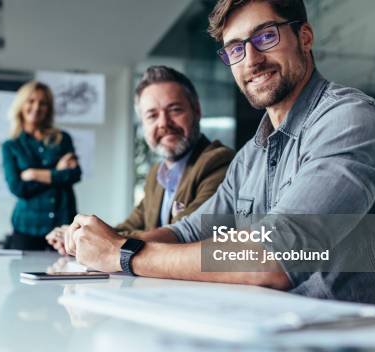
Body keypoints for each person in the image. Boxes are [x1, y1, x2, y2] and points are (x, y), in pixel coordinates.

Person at [61, 0, 375, 318]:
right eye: (235, 49)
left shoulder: (350, 120)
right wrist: (106, 242)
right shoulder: (251, 156)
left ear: (304, 37)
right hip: (285, 333)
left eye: (266, 36)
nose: (251, 60)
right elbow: (192, 231)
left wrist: (124, 254)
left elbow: (272, 258)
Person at [45, 66, 234, 254]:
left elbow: (185, 233)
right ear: (143, 124)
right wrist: (79, 235)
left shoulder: (218, 162)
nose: (163, 123)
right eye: (152, 115)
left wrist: (99, 241)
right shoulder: (156, 174)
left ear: (197, 110)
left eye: (175, 110)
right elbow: (129, 225)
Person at [2, 81, 81, 250]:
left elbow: (74, 175)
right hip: (26, 227)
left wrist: (33, 174)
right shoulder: (11, 146)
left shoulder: (62, 139)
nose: (37, 107)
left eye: (43, 103)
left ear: (49, 108)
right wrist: (57, 172)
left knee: (66, 273)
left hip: (63, 224)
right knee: (20, 275)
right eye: (31, 101)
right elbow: (18, 188)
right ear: (21, 105)